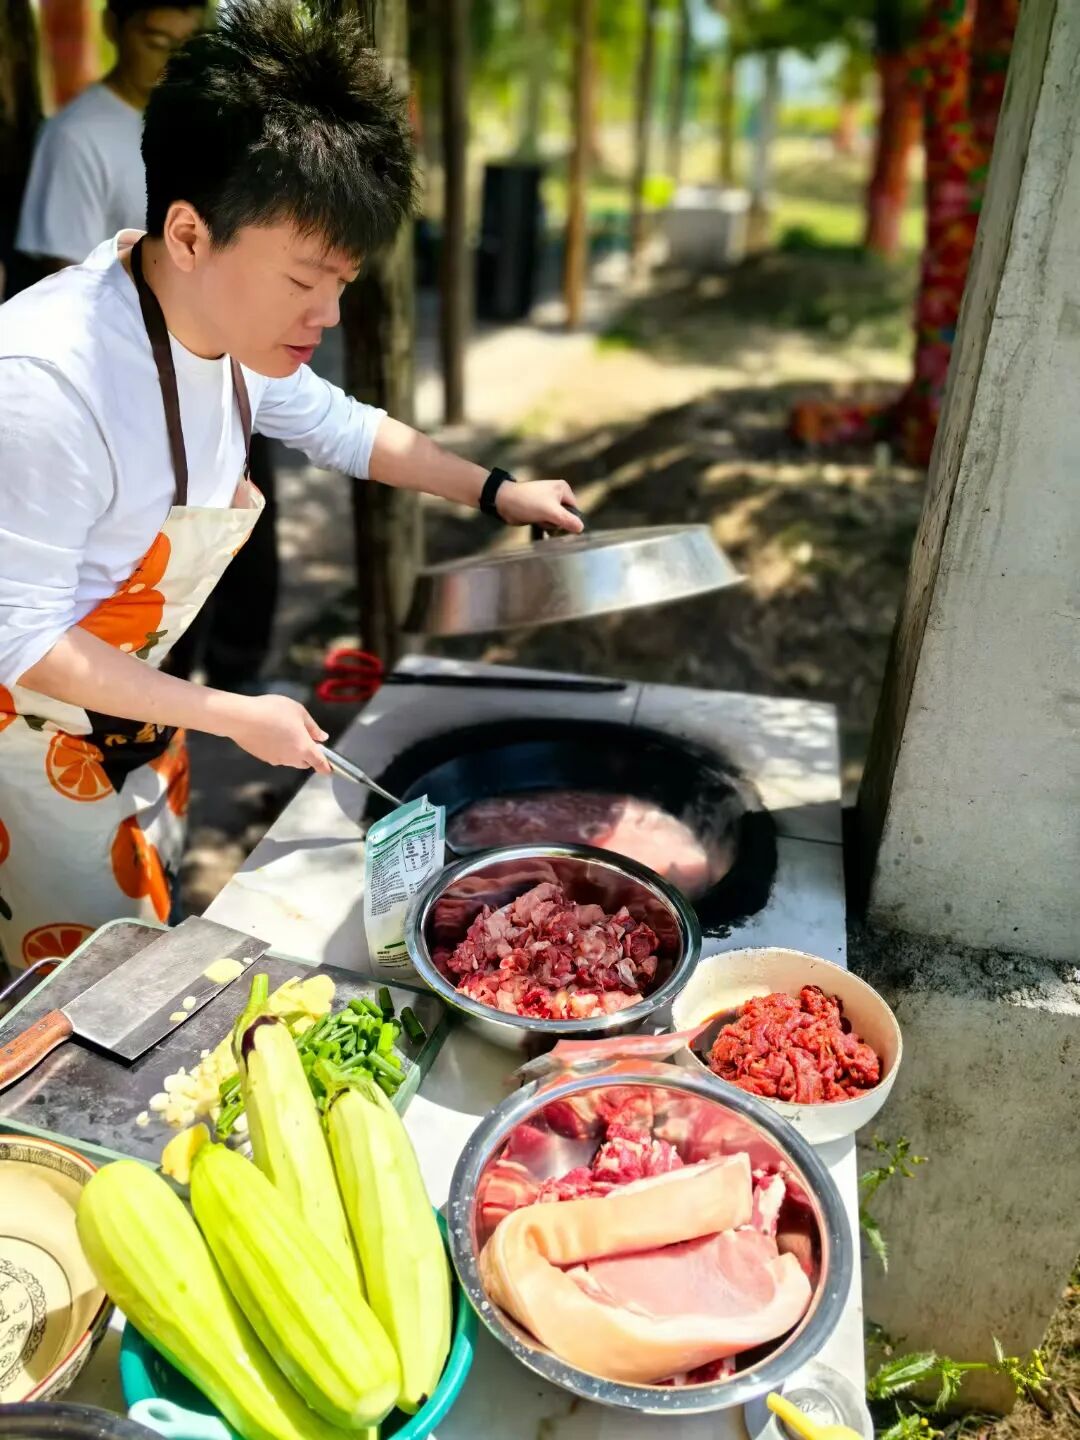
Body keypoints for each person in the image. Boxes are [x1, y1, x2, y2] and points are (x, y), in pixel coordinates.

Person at [0, 0, 582, 973]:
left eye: (343, 282)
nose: (329, 315)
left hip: (139, 710)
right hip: (25, 743)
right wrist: (234, 712)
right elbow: (25, 641)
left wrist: (497, 491)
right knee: (70, 991)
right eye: (305, 280)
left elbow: (347, 428)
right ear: (190, 234)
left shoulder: (229, 330)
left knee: (144, 921)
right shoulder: (48, 380)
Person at [15, 0, 282, 695]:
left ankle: (238, 681)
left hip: (217, 366)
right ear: (115, 29)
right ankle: (160, 700)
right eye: (155, 40)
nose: (169, 62)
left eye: (187, 45)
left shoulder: (214, 126)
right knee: (148, 570)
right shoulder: (78, 138)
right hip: (127, 390)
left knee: (241, 542)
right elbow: (62, 278)